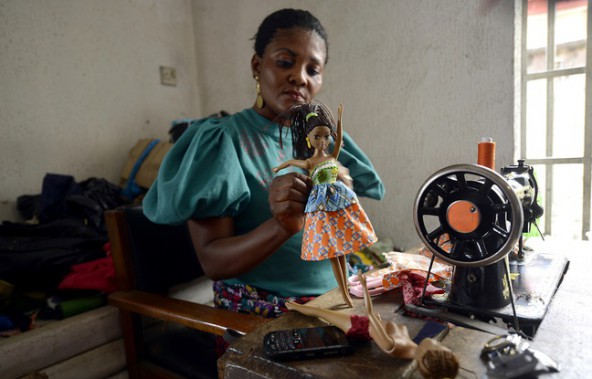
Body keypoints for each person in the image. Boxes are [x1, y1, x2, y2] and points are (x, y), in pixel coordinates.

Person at [143, 8, 384, 318]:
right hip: (262, 309)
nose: (300, 77)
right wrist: (280, 227)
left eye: (313, 69)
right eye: (285, 62)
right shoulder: (221, 142)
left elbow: (334, 235)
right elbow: (213, 263)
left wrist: (343, 202)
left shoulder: (319, 139)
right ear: (257, 66)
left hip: (336, 295)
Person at [273, 101, 377, 307]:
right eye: (317, 137)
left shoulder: (332, 156)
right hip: (320, 207)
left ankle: (346, 291)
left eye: (326, 136)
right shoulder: (310, 162)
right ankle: (345, 294)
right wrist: (280, 168)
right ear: (309, 140)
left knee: (342, 251)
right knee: (333, 254)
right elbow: (293, 163)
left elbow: (338, 143)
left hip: (339, 201)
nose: (322, 141)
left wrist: (338, 120)